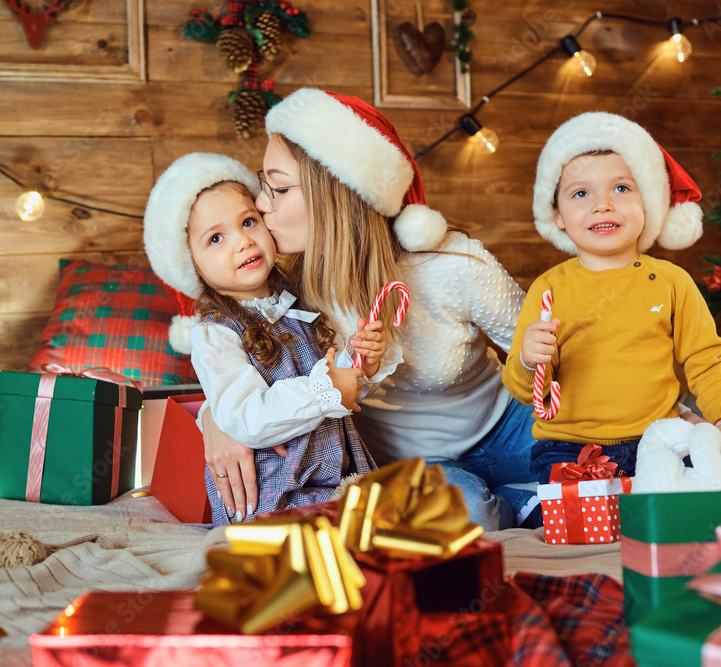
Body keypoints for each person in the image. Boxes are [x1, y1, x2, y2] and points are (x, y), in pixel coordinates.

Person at [202, 88, 537, 531]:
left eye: (278, 188)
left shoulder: (451, 264)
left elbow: (542, 348)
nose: (261, 205)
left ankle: (538, 495)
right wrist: (213, 421)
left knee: (612, 467)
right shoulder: (287, 288)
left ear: (335, 197)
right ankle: (526, 504)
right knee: (473, 517)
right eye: (264, 186)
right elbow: (232, 358)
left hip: (507, 424)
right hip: (412, 464)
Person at [503, 111, 721, 483]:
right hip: (569, 447)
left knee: (697, 497)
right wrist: (529, 359)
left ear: (649, 202)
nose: (602, 204)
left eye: (621, 188)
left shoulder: (670, 282)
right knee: (583, 523)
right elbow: (527, 392)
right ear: (556, 214)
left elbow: (707, 360)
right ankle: (529, 503)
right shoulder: (549, 289)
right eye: (580, 193)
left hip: (659, 438)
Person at [142, 152, 378, 526]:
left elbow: (336, 379)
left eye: (248, 221)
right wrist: (324, 391)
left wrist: (361, 361)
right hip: (277, 496)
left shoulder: (299, 304)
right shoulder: (215, 332)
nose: (242, 242)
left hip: (337, 479)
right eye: (216, 238)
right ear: (192, 265)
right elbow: (244, 417)